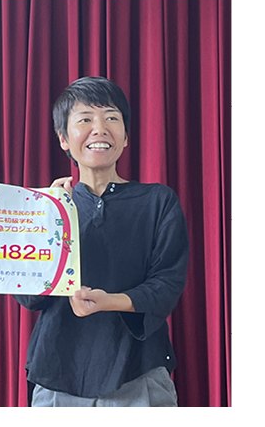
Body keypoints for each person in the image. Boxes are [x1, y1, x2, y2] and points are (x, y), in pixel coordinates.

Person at [14, 76, 188, 407]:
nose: (99, 129)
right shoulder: (45, 207)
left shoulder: (158, 201)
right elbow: (28, 295)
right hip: (57, 376)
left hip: (139, 372)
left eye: (111, 118)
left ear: (125, 137)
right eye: (85, 120)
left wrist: (109, 301)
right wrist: (54, 220)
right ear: (64, 139)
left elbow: (167, 286)